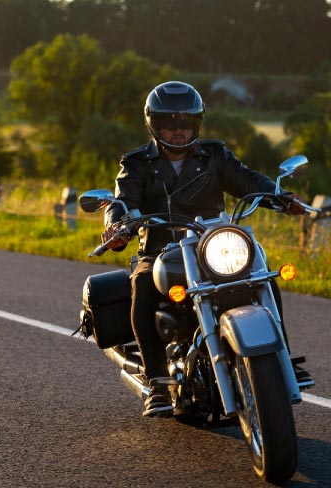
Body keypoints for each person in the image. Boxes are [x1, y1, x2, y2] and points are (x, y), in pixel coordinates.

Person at [102, 81, 306, 417]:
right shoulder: (137, 163)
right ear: (154, 124)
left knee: (262, 273)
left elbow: (248, 181)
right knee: (141, 284)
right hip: (160, 250)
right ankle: (156, 382)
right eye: (170, 124)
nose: (179, 132)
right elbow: (122, 200)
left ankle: (279, 357)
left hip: (212, 244)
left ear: (197, 123)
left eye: (186, 124)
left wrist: (281, 199)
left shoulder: (214, 155)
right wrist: (117, 225)